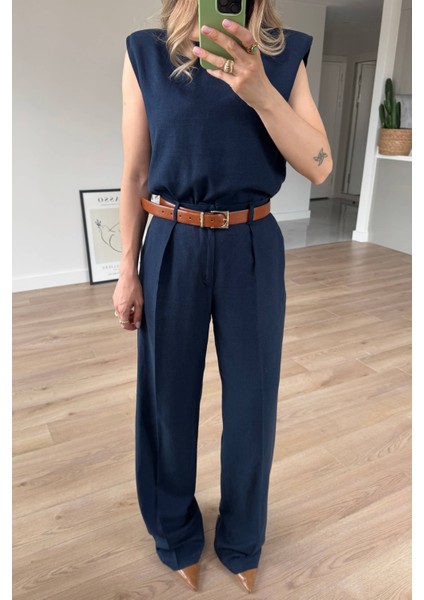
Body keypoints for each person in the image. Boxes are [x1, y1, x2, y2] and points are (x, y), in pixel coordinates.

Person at [112, 0, 332, 593]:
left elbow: (320, 166)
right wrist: (127, 269)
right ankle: (174, 533)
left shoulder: (284, 54)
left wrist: (261, 92)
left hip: (252, 243)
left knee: (253, 405)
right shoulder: (147, 53)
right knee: (166, 400)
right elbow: (135, 174)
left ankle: (242, 539)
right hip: (172, 240)